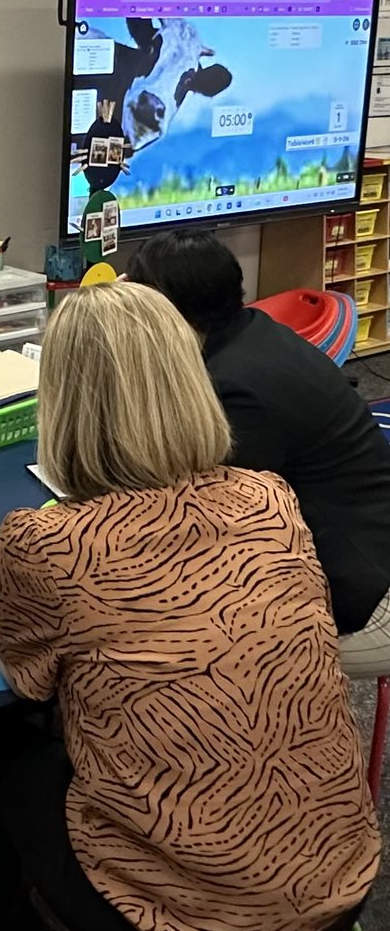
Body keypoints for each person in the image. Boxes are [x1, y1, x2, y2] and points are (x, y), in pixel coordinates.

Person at [0, 283, 380, 931]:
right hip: (339, 880)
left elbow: (29, 680)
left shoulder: (48, 540)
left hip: (181, 923)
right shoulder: (268, 499)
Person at [126, 229, 390, 676]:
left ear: (164, 309)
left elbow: (205, 517)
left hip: (367, 601)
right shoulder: (252, 332)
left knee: (151, 636)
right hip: (363, 545)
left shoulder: (235, 388)